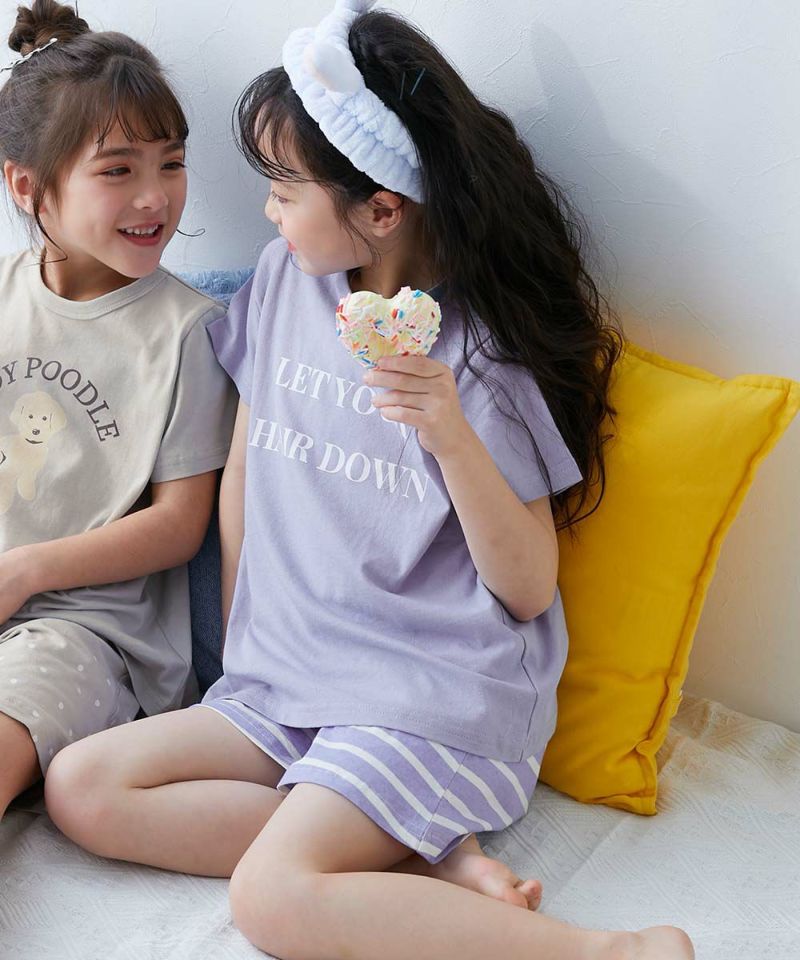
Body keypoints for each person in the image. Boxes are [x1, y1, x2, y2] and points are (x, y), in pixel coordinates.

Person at [45, 2, 694, 958]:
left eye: (284, 188)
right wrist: (244, 650)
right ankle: (428, 862)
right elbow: (249, 468)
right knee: (81, 788)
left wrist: (449, 433)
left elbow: (526, 587)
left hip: (429, 699)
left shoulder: (480, 358)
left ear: (381, 210)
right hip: (285, 679)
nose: (268, 211)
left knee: (271, 899)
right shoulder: (285, 280)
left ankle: (612, 952)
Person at [0, 0, 236, 821]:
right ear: (27, 185)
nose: (155, 197)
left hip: (89, 631)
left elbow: (178, 525)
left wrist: (22, 572)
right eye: (117, 170)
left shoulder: (190, 333)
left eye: (171, 164)